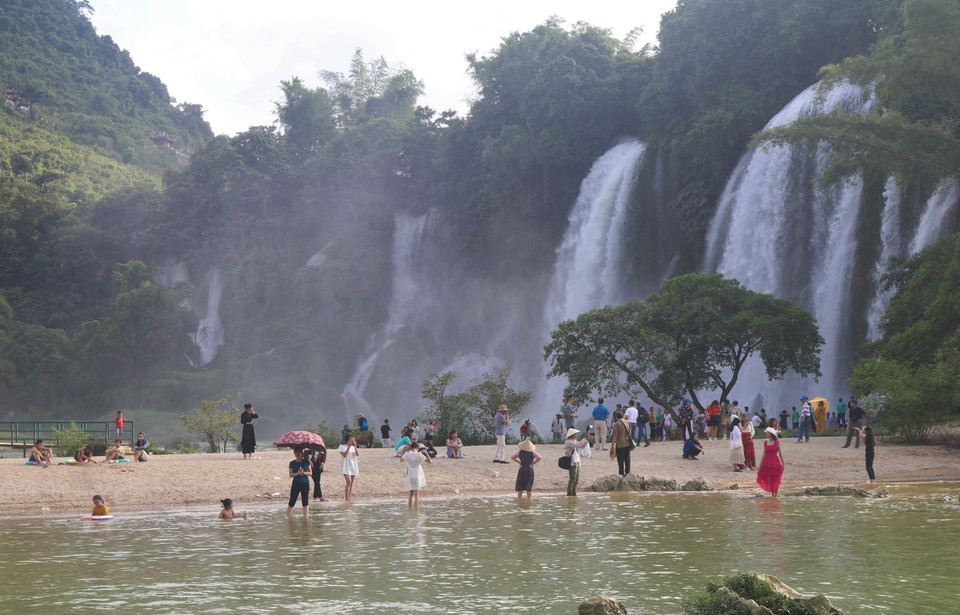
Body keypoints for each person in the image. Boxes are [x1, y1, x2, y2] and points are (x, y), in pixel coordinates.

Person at [401, 441, 432, 508]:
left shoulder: (408, 454)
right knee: (416, 494)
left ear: (411, 448)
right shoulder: (419, 455)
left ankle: (410, 508)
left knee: (410, 494)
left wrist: (404, 452)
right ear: (417, 448)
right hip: (417, 473)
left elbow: (401, 460)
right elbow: (430, 461)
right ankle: (416, 509)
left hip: (410, 473)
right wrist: (426, 453)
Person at [757, 427, 785, 497]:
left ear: (771, 434)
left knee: (775, 479)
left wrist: (783, 463)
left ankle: (776, 495)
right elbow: (764, 454)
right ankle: (773, 495)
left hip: (775, 462)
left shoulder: (777, 442)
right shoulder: (766, 442)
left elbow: (780, 453)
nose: (767, 434)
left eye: (768, 433)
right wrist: (761, 464)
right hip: (767, 462)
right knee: (769, 479)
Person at [563, 428, 590, 496]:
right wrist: (584, 438)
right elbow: (579, 445)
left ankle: (574, 493)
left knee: (576, 478)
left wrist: (586, 439)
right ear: (571, 435)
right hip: (572, 461)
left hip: (577, 461)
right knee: (573, 478)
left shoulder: (574, 441)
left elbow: (581, 446)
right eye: (574, 434)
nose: (575, 435)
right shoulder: (568, 442)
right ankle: (569, 493)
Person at [287, 446, 311, 517]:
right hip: (296, 483)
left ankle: (305, 517)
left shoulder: (306, 462)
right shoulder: (292, 463)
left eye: (299, 452)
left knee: (305, 501)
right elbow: (291, 474)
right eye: (296, 452)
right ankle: (288, 516)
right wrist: (298, 473)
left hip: (305, 483)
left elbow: (310, 473)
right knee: (292, 500)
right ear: (294, 453)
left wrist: (304, 473)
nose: (297, 454)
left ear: (302, 453)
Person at [610, 410, 632, 476]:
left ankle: (621, 473)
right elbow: (630, 433)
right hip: (627, 443)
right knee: (627, 458)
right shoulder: (627, 422)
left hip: (620, 444)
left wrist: (612, 444)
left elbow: (615, 436)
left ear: (616, 417)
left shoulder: (617, 424)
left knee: (620, 459)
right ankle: (628, 472)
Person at [339, 435, 359, 501]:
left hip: (353, 465)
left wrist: (355, 446)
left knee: (351, 483)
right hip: (346, 466)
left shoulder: (353, 447)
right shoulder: (342, 447)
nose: (352, 441)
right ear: (347, 440)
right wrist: (349, 446)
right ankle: (347, 498)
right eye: (351, 440)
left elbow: (357, 454)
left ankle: (349, 497)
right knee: (348, 481)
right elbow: (344, 455)